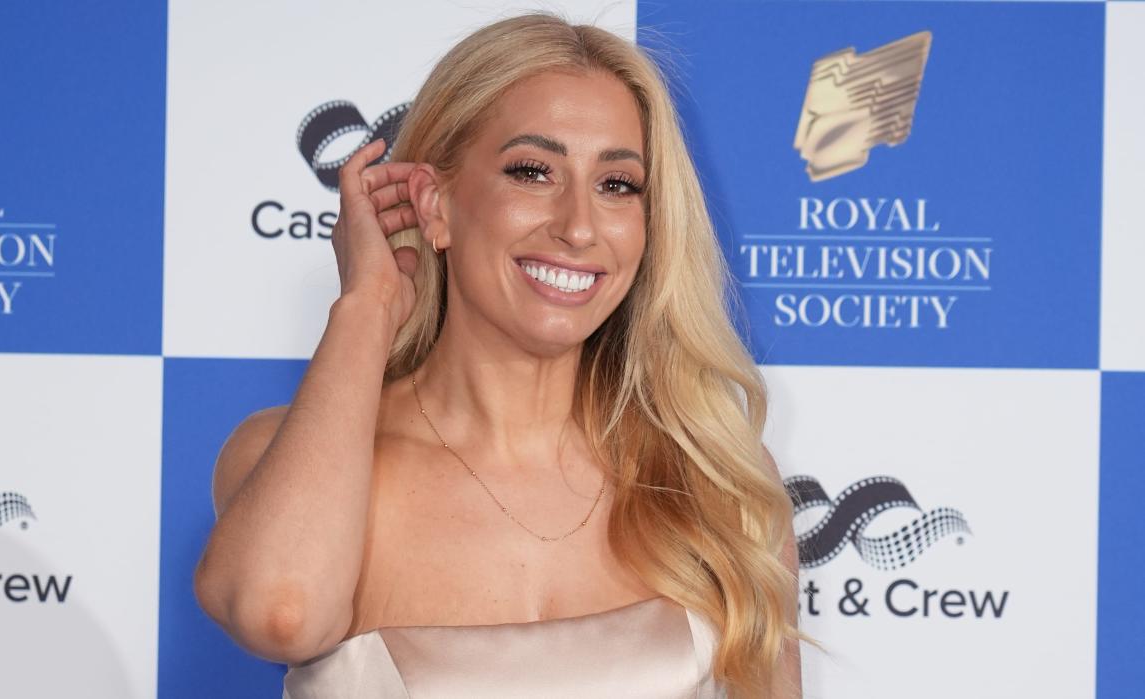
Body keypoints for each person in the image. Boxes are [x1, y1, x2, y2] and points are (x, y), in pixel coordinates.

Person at [194, 12, 803, 699]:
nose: (577, 226)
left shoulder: (714, 477)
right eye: (532, 171)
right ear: (435, 203)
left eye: (617, 185)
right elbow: (282, 614)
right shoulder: (283, 457)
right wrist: (368, 305)